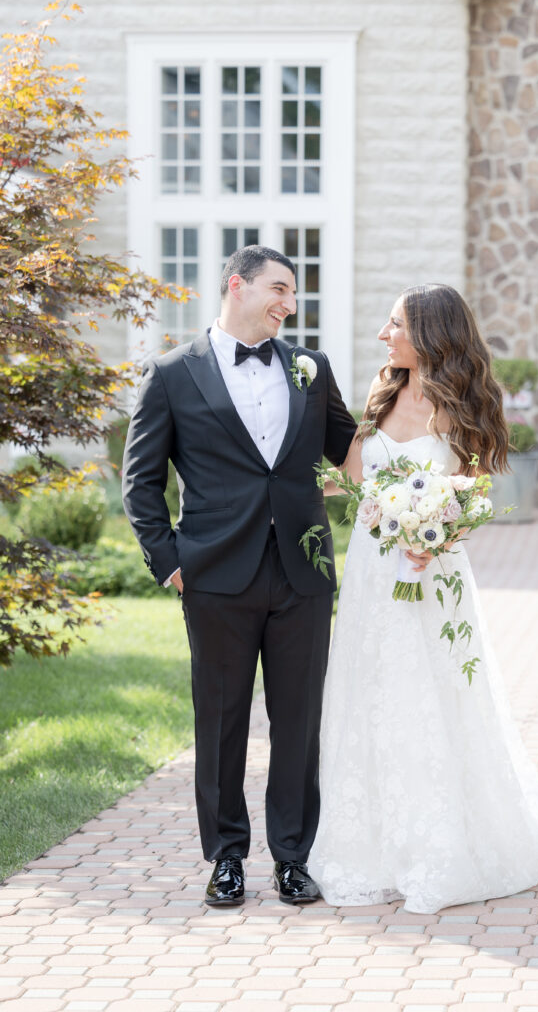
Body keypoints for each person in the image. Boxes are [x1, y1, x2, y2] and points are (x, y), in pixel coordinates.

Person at [308, 283, 538, 914]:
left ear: (429, 333)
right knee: (371, 692)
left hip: (431, 574)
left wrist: (434, 534)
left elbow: (471, 497)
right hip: (371, 567)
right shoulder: (381, 388)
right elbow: (359, 480)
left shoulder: (459, 408)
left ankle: (443, 845)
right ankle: (372, 846)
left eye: (393, 325)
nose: (383, 335)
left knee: (433, 694)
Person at [122, 245, 356, 907]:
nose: (289, 302)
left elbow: (355, 451)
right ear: (237, 286)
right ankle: (225, 857)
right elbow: (140, 481)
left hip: (301, 572)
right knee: (220, 721)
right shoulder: (172, 373)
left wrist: (420, 406)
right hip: (215, 574)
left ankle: (291, 859)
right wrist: (167, 560)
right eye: (279, 289)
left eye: (293, 293)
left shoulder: (312, 368)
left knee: (297, 721)